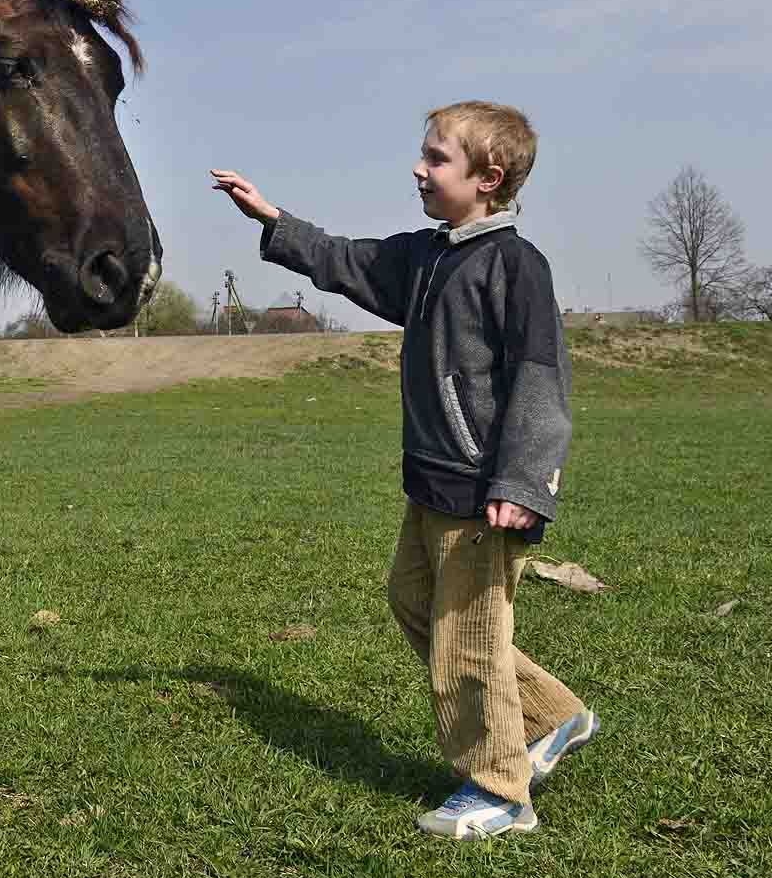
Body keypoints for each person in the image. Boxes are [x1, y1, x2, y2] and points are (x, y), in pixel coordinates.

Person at [211, 100, 598, 840]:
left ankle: (498, 787)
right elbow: (348, 261)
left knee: (468, 636)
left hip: (482, 494)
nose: (419, 168)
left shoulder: (515, 264)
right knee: (414, 600)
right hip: (429, 481)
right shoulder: (428, 256)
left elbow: (541, 380)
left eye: (436, 158)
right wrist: (272, 217)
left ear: (489, 178)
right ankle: (555, 715)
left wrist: (521, 484)